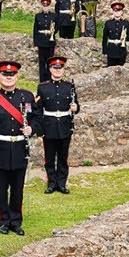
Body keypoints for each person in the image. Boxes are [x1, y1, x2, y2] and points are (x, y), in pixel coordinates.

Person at [0, 60, 39, 235]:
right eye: (5, 75)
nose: (8, 78)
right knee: (1, 188)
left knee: (18, 188)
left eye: (11, 75)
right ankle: (3, 220)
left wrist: (32, 128)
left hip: (20, 149)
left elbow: (36, 119)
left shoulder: (27, 97)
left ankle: (16, 221)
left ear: (17, 77)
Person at [34, 56, 80, 194]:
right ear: (50, 69)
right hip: (49, 127)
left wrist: (75, 108)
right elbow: (38, 110)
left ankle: (62, 184)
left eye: (60, 68)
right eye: (55, 68)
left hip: (65, 126)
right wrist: (40, 128)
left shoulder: (69, 86)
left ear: (64, 70)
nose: (58, 70)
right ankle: (51, 183)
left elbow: (77, 105)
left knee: (63, 157)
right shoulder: (43, 87)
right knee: (49, 158)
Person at [32, 0, 58, 83]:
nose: (45, 7)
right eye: (44, 6)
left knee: (50, 62)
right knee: (42, 63)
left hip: (50, 42)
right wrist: (35, 43)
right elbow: (35, 30)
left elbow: (57, 27)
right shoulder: (38, 16)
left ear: (50, 6)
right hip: (41, 41)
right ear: (42, 6)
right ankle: (42, 81)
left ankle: (50, 79)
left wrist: (54, 31)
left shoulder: (54, 16)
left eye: (47, 6)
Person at [101, 1, 129, 67]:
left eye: (119, 10)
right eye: (115, 11)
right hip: (111, 50)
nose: (117, 12)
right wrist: (105, 51)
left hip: (121, 50)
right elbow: (104, 38)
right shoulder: (108, 23)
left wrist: (125, 36)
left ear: (122, 12)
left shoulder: (126, 23)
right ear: (113, 12)